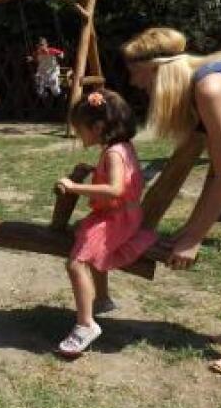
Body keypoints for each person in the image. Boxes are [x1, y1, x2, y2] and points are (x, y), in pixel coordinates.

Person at [123, 26, 221, 377]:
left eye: (137, 74)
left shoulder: (209, 87)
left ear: (158, 70)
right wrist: (187, 232)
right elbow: (215, 175)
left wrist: (194, 239)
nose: (135, 84)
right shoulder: (202, 90)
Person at [55, 89, 158, 357]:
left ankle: (85, 325)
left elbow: (114, 189)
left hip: (117, 218)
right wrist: (93, 171)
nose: (78, 135)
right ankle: (102, 299)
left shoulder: (113, 153)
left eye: (80, 129)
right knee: (92, 248)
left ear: (98, 127)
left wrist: (74, 187)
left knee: (76, 263)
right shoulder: (120, 148)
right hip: (121, 214)